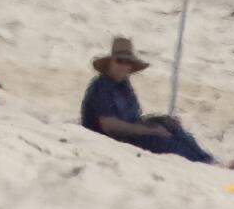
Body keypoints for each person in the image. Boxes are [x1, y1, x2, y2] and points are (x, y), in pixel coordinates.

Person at [80, 37, 223, 165]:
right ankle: (201, 162)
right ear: (110, 63)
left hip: (127, 135)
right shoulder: (102, 86)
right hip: (110, 140)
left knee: (171, 127)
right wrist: (147, 129)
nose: (123, 66)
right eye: (119, 61)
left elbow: (133, 119)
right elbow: (109, 125)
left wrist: (159, 120)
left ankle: (206, 159)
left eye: (127, 62)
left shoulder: (124, 86)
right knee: (162, 139)